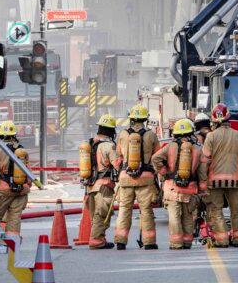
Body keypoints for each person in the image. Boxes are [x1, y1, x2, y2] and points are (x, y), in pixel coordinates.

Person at [200, 103, 238, 247]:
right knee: (237, 210)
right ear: (228, 118)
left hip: (214, 181)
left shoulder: (210, 136)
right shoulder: (237, 135)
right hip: (234, 180)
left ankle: (221, 240)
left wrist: (202, 182)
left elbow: (205, 159)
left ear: (214, 121)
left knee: (216, 210)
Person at [113, 105, 160, 250]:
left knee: (124, 209)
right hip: (145, 178)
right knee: (146, 210)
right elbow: (157, 156)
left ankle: (120, 241)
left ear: (132, 119)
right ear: (145, 119)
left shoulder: (123, 134)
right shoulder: (151, 135)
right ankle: (149, 242)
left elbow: (118, 157)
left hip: (126, 178)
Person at [152, 118, 203, 250]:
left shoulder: (170, 146)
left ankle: (176, 243)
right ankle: (187, 242)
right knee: (187, 216)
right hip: (190, 189)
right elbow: (202, 171)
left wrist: (163, 171)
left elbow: (155, 158)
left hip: (172, 188)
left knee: (174, 216)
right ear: (191, 132)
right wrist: (202, 187)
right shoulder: (198, 148)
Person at [82, 114, 119, 250]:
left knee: (94, 213)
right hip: (104, 184)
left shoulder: (90, 143)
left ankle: (100, 238)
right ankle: (96, 240)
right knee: (102, 213)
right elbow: (117, 164)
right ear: (110, 131)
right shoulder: (109, 146)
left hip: (90, 185)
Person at [0, 121, 30, 238]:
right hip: (21, 189)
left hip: (3, 189)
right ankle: (13, 243)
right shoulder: (21, 149)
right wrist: (26, 186)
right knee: (15, 218)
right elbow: (28, 172)